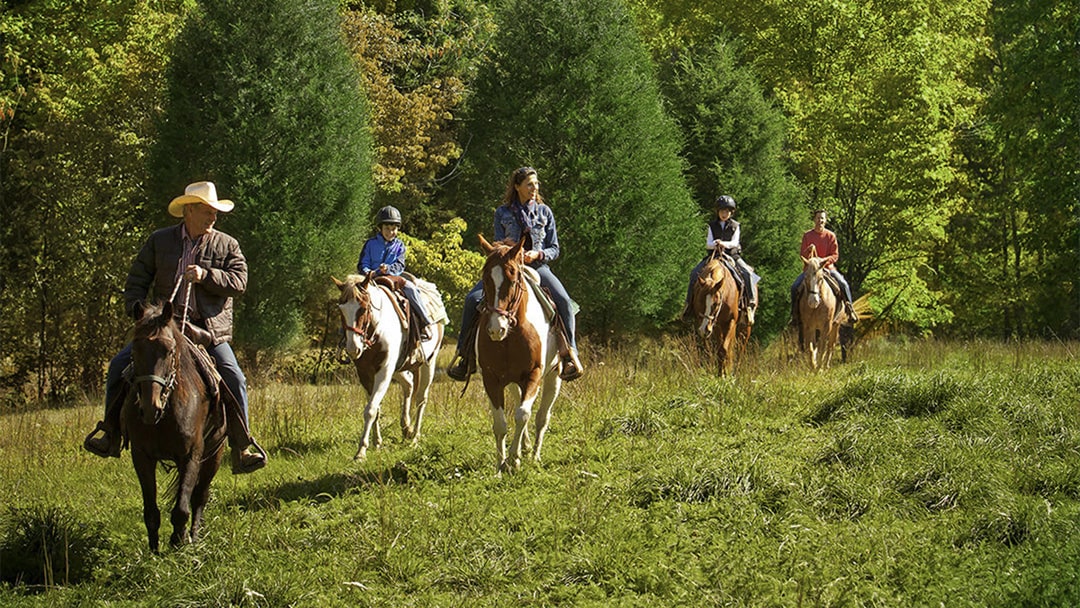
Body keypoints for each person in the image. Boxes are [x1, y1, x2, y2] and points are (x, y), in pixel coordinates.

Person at [84, 181, 267, 474]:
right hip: (164, 328)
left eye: (215, 212)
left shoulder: (227, 244)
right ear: (189, 211)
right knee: (118, 366)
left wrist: (207, 275)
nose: (213, 217)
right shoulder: (159, 241)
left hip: (206, 332)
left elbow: (239, 282)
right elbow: (136, 282)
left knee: (234, 376)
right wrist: (139, 312)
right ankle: (110, 433)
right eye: (207, 211)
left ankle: (242, 446)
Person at [446, 166, 584, 382]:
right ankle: (464, 356)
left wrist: (536, 254)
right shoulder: (502, 212)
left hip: (537, 267)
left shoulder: (544, 212)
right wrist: (504, 246)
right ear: (517, 186)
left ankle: (569, 355)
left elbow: (554, 248)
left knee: (564, 301)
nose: (534, 188)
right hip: (507, 267)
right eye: (530, 184)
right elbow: (498, 241)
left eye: (536, 184)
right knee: (471, 299)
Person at [357, 205, 435, 340]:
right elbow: (363, 263)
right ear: (380, 228)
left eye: (394, 229)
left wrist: (388, 269)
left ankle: (424, 322)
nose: (390, 232)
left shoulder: (400, 246)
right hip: (371, 278)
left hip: (392, 277)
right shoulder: (370, 244)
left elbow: (400, 265)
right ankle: (345, 331)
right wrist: (368, 272)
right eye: (387, 228)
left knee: (411, 289)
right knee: (352, 293)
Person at [681, 195, 760, 323]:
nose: (724, 214)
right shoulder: (711, 226)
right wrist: (715, 244)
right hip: (714, 256)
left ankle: (750, 305)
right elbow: (708, 243)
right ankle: (688, 305)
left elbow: (735, 242)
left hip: (732, 256)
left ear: (731, 212)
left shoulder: (735, 225)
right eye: (722, 211)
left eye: (727, 211)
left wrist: (724, 244)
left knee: (748, 273)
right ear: (717, 211)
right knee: (694, 273)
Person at [790, 208, 858, 324]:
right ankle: (794, 315)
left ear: (825, 220)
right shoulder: (807, 235)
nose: (820, 220)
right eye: (818, 218)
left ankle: (849, 310)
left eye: (822, 218)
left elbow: (835, 255)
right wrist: (808, 250)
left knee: (843, 284)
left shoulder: (831, 236)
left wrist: (823, 260)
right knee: (795, 286)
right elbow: (802, 255)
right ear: (814, 219)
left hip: (827, 269)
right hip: (810, 270)